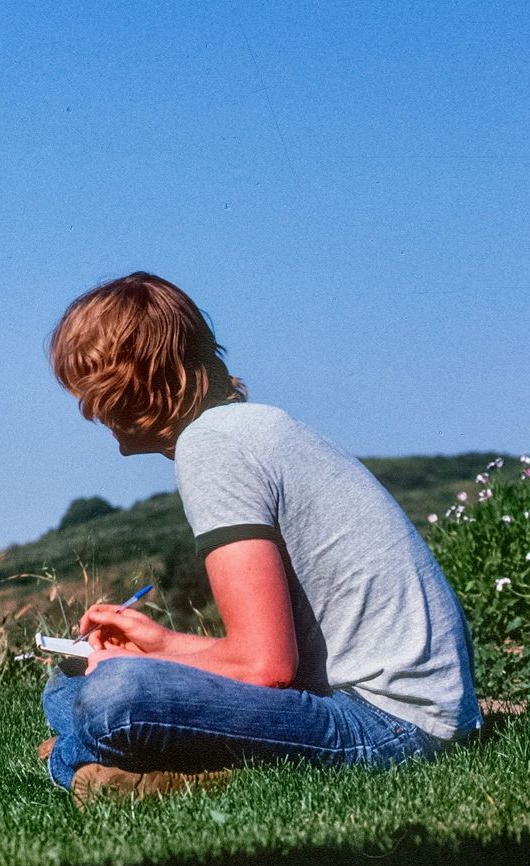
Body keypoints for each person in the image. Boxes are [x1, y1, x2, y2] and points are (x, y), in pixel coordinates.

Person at [40, 272, 481, 805]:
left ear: (129, 385)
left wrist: (140, 667)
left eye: (90, 387)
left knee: (115, 693)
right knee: (68, 685)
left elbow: (265, 666)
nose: (90, 410)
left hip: (390, 727)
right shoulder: (244, 428)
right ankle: (128, 751)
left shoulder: (212, 447)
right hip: (399, 706)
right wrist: (160, 644)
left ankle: (78, 758)